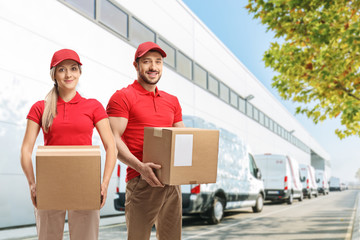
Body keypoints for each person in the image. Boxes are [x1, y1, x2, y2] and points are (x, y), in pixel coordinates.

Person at [20, 49, 117, 240]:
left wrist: (104, 183)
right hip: (49, 183)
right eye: (62, 70)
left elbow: (111, 147)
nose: (68, 74)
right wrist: (32, 183)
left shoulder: (93, 106)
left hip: (85, 182)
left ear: (80, 72)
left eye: (73, 68)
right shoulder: (40, 107)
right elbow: (25, 149)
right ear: (54, 74)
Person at [107, 41, 185, 239]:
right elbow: (112, 139)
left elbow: (183, 139)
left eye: (158, 62)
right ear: (136, 65)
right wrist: (141, 167)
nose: (153, 67)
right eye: (147, 62)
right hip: (140, 180)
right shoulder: (122, 97)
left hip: (171, 182)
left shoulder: (172, 101)